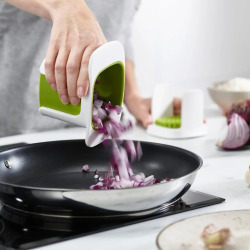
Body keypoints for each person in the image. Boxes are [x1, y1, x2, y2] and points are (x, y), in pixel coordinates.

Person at [0, 0, 180, 137]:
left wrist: (132, 95)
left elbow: (120, 28)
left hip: (99, 125)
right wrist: (66, 6)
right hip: (23, 127)